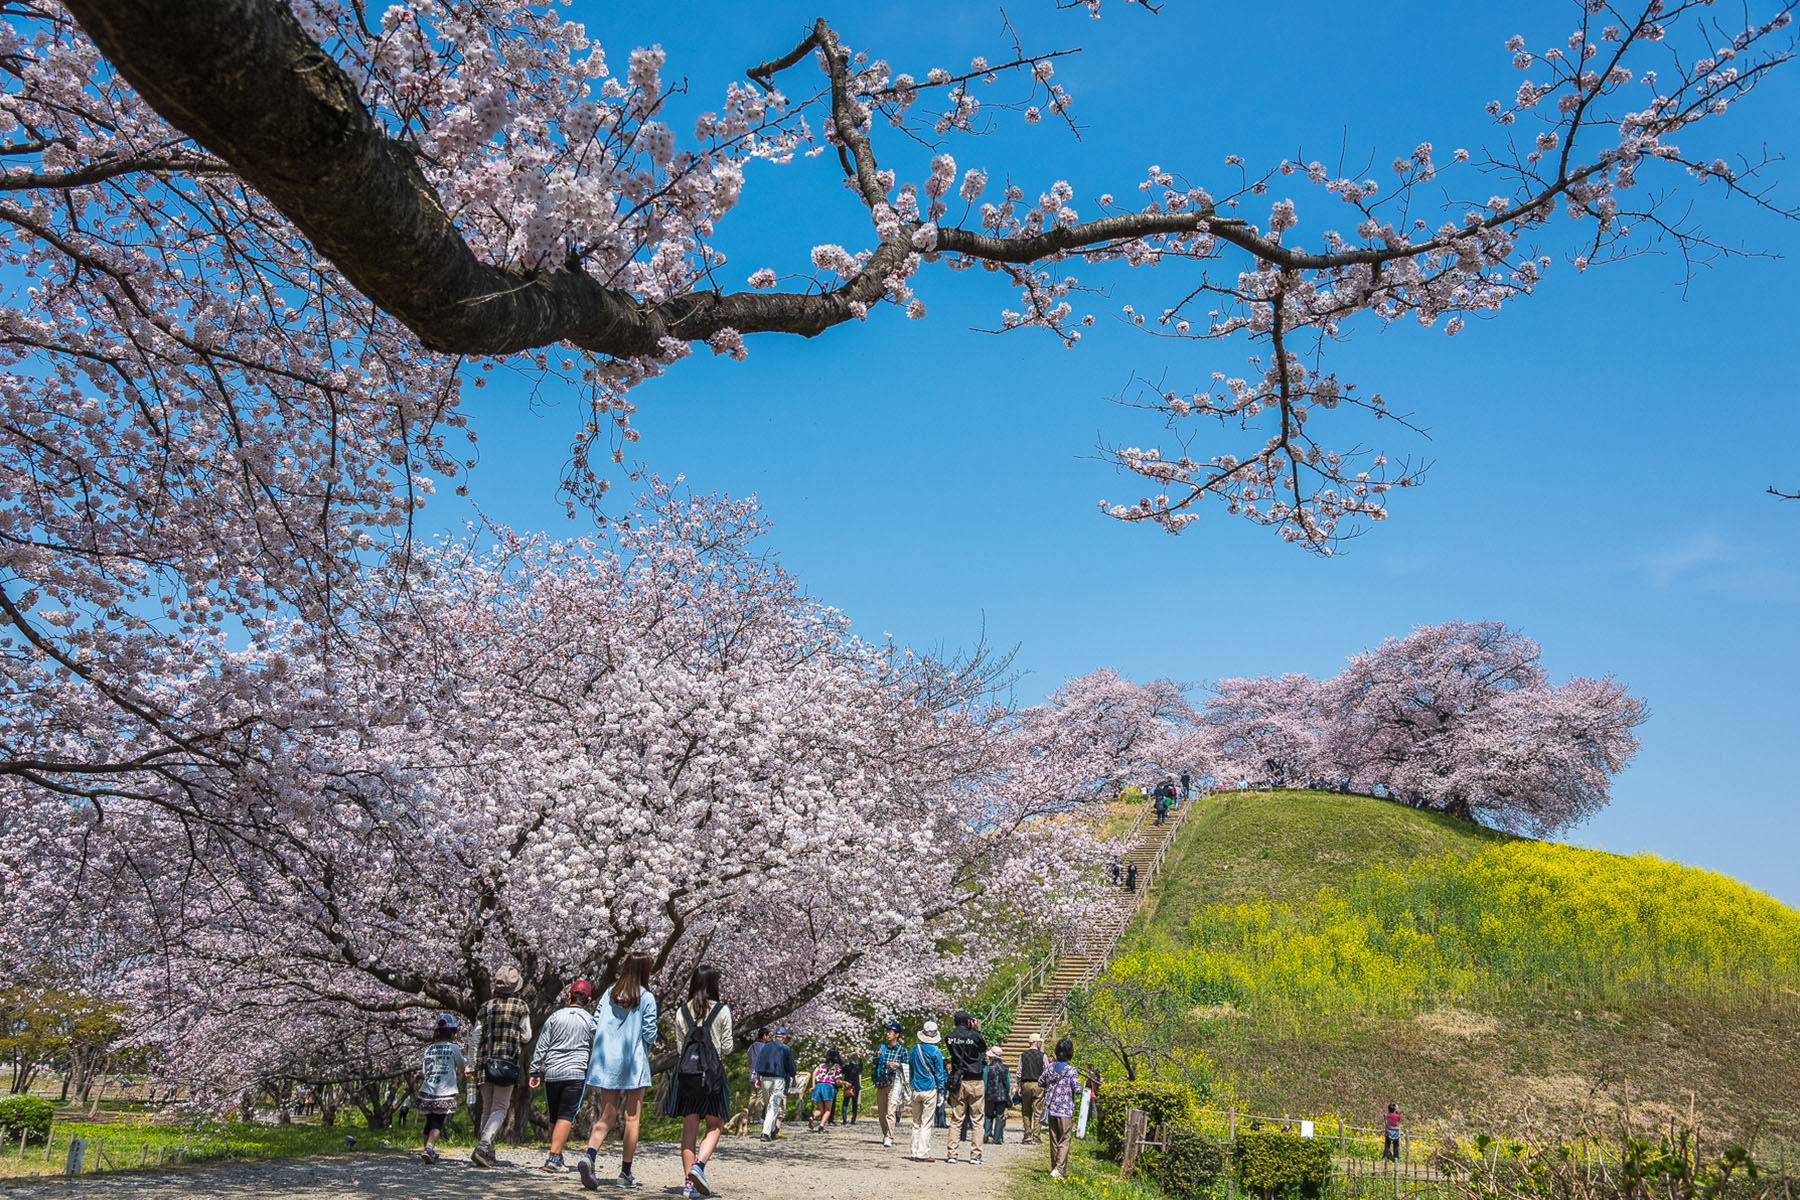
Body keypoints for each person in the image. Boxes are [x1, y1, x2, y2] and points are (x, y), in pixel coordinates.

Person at [579, 953, 658, 1190]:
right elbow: (650, 1033)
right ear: (646, 972)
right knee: (632, 1118)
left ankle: (590, 1156)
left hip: (607, 1062)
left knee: (607, 1115)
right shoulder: (647, 997)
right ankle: (625, 1173)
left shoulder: (609, 993)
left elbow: (594, 1023)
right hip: (633, 1062)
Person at [660, 964, 733, 1199]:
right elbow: (728, 1047)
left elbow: (681, 1048)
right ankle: (698, 1167)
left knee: (689, 1129)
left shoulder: (682, 1011)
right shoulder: (721, 1010)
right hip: (712, 1076)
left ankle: (688, 1186)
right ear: (714, 985)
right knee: (714, 1126)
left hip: (687, 1077)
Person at [531, 978, 597, 1174]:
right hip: (575, 1072)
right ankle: (553, 1158)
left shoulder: (554, 1017)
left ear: (569, 996)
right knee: (566, 1115)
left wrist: (534, 1070)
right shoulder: (591, 1020)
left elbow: (541, 1045)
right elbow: (595, 1047)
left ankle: (557, 1156)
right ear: (589, 1000)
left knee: (554, 1116)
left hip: (552, 1072)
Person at [470, 966, 534, 1168]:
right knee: (500, 1108)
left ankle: (488, 1153)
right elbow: (527, 1036)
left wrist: (470, 1064)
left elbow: (475, 1038)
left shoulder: (485, 1007)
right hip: (506, 1064)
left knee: (487, 1109)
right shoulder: (521, 1007)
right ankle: (482, 1146)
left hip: (484, 1064)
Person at [416, 1014, 465, 1164]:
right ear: (452, 1033)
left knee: (429, 1121)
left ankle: (427, 1151)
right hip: (444, 1091)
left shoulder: (429, 1049)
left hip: (427, 1089)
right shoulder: (453, 1047)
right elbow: (462, 1066)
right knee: (438, 1122)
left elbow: (424, 1071)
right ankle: (429, 1149)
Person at [941, 1010, 987, 1165]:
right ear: (969, 1022)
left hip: (958, 1080)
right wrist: (975, 1030)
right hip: (975, 1080)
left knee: (956, 1119)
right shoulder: (975, 1036)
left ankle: (952, 1154)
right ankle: (975, 1155)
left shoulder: (949, 1037)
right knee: (977, 1119)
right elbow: (982, 1049)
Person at [1039, 1037, 1080, 1181]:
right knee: (1065, 1139)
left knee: (1054, 1140)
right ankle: (1059, 1169)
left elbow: (1040, 1082)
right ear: (1070, 1053)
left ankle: (1054, 1167)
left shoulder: (1050, 1067)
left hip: (1051, 1109)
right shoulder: (1070, 1070)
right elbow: (1077, 1088)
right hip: (1065, 1110)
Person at [906, 1019, 947, 1161]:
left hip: (916, 1088)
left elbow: (910, 1069)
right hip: (929, 1088)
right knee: (926, 1123)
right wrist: (941, 1091)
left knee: (916, 1122)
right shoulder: (936, 1051)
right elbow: (939, 1073)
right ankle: (922, 1152)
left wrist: (910, 1084)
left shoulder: (914, 1049)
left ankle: (913, 1150)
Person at [869, 1021, 910, 1148]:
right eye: (887, 1031)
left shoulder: (902, 1050)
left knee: (890, 1111)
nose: (887, 1034)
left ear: (896, 1034)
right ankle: (885, 1132)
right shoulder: (882, 1047)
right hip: (881, 1081)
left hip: (895, 1082)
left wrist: (897, 1065)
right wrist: (877, 1056)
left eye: (890, 1032)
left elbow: (908, 1066)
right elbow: (874, 1063)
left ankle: (889, 1136)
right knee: (881, 1113)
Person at [756, 1027, 795, 1140]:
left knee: (770, 1105)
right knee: (773, 1106)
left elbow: (759, 1063)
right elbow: (790, 1065)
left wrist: (758, 1078)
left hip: (765, 1079)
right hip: (778, 1079)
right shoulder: (786, 1048)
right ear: (784, 1037)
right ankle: (765, 1132)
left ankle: (772, 1130)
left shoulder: (766, 1047)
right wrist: (793, 1076)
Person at [1015, 1032, 1045, 1145]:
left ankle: (1027, 1135)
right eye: (1040, 1042)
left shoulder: (1023, 1055)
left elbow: (1019, 1073)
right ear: (1037, 1043)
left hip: (1025, 1084)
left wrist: (1019, 1086)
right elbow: (1046, 1071)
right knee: (1038, 1111)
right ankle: (1036, 1136)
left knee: (1026, 1111)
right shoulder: (1043, 1056)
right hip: (1038, 1084)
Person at [807, 1049, 843, 1132]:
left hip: (818, 1085)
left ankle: (812, 1116)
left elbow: (814, 1073)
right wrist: (845, 1083)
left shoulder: (821, 1065)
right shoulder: (837, 1067)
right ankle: (821, 1127)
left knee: (820, 1109)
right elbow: (837, 1082)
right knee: (828, 1110)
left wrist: (813, 1086)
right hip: (828, 1087)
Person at [981, 1047, 1010, 1145]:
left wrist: (983, 1093)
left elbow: (984, 1082)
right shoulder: (1005, 1068)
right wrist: (1007, 1092)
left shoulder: (987, 1068)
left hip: (989, 1094)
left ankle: (987, 1134)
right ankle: (997, 1138)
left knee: (988, 1115)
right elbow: (1008, 1083)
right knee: (1000, 1116)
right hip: (1002, 1095)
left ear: (992, 1057)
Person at [838, 1052, 863, 1125]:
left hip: (847, 1086)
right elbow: (861, 1068)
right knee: (854, 1104)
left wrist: (841, 1062)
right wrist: (861, 1059)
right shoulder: (858, 1067)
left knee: (845, 1103)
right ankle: (853, 1119)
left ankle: (844, 1119)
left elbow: (841, 1071)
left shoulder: (847, 1067)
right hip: (856, 1087)